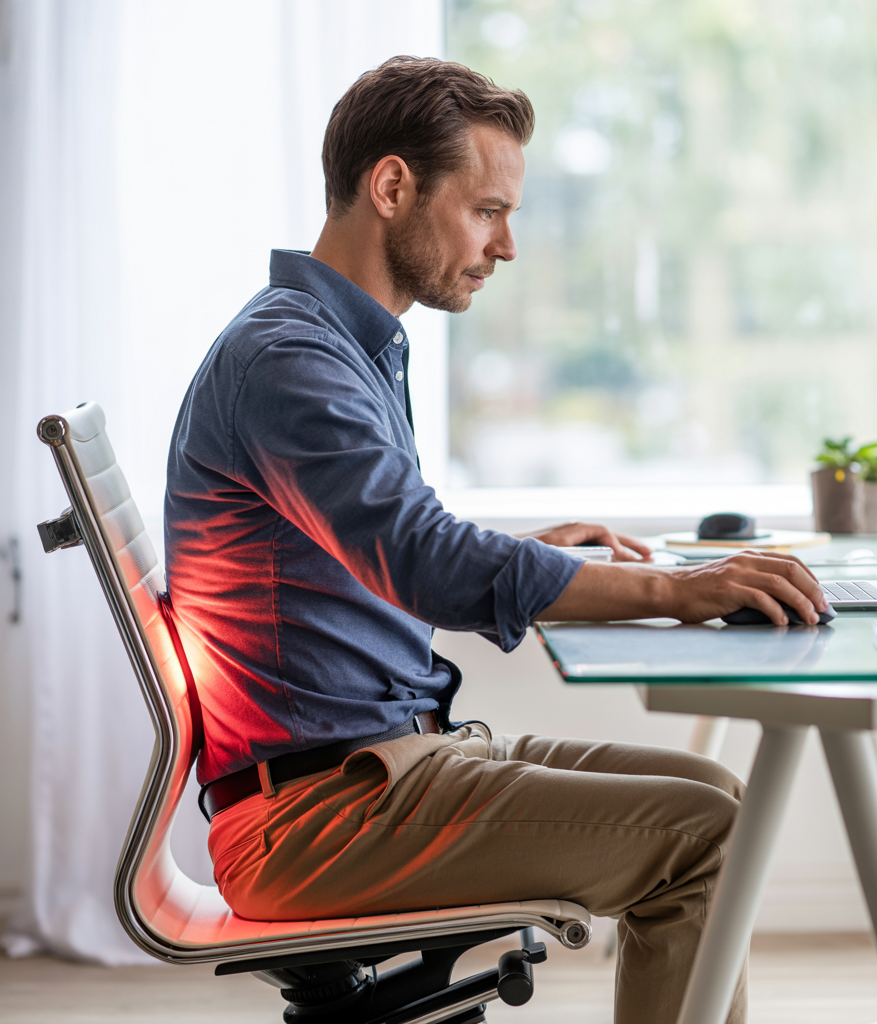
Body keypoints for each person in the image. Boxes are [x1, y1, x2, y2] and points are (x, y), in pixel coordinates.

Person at [164, 56, 829, 1024]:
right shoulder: (291, 357)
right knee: (708, 835)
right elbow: (419, 558)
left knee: (717, 794)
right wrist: (679, 591)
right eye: (486, 211)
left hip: (377, 765)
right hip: (318, 817)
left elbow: (378, 541)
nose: (506, 245)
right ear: (392, 187)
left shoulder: (332, 342)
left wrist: (531, 550)